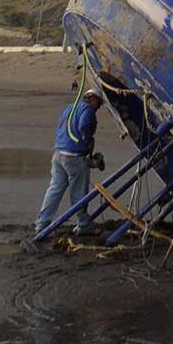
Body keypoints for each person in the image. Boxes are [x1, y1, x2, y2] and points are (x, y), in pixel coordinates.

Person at [35, 87, 103, 236]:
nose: (99, 108)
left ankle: (42, 224)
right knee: (79, 192)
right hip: (74, 157)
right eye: (99, 104)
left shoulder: (69, 108)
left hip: (58, 154)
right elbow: (84, 126)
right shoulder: (87, 109)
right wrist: (88, 140)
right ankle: (83, 224)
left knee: (54, 190)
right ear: (93, 99)